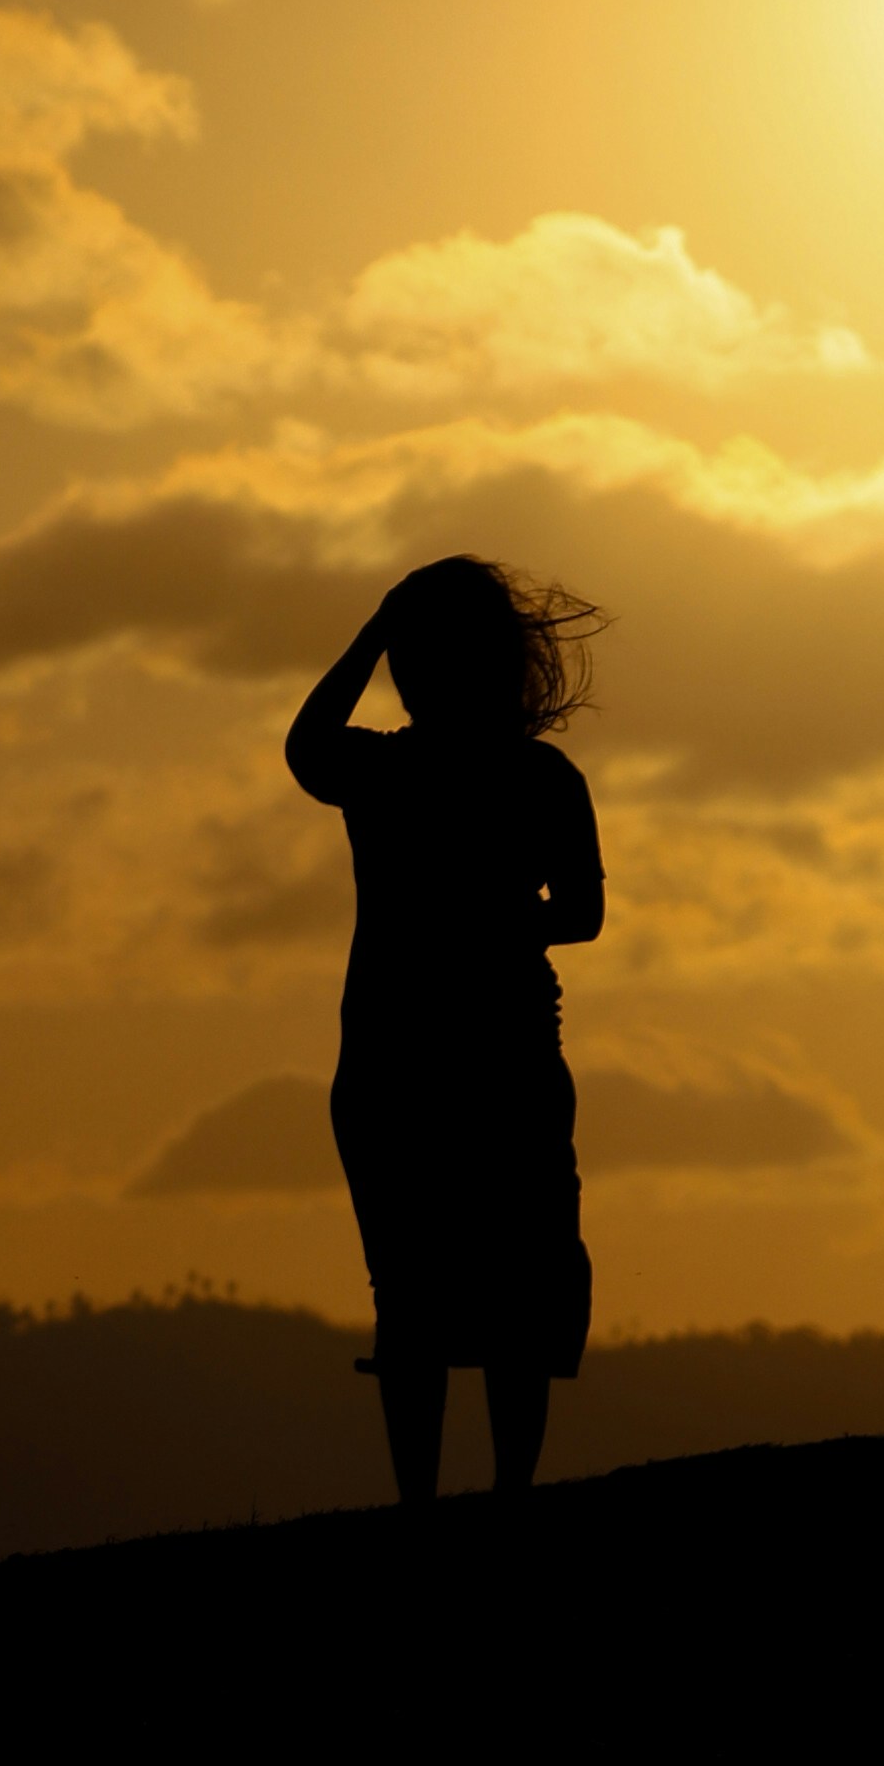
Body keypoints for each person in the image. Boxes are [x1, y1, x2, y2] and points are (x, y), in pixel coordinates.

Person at [287, 556, 608, 1501]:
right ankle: (492, 1497)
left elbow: (306, 746)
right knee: (484, 1291)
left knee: (433, 1293)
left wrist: (372, 629)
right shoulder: (524, 775)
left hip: (430, 1062)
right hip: (471, 1060)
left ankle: (437, 1502)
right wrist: (514, 921)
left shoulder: (392, 774)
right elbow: (583, 914)